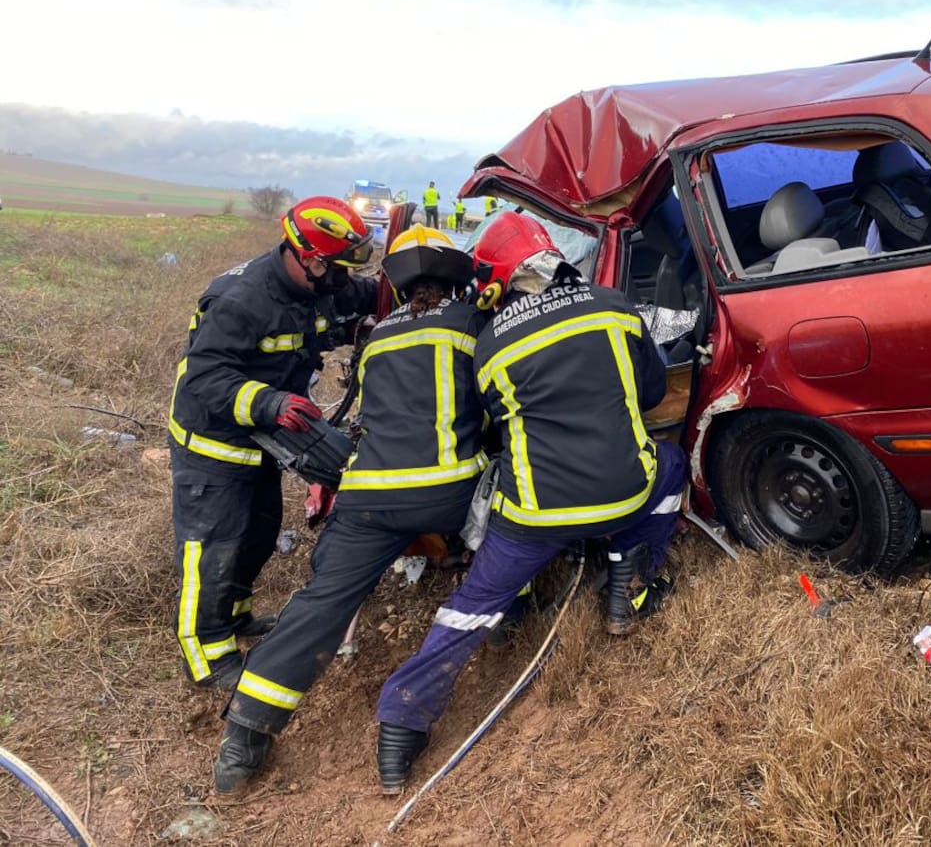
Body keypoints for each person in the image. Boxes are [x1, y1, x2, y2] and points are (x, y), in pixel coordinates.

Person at [373, 211, 686, 792]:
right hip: (625, 494)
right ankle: (627, 589)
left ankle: (401, 725)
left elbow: (495, 428)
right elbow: (650, 393)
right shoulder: (615, 306)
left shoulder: (490, 343)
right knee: (670, 468)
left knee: (471, 606)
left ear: (494, 280)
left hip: (536, 519)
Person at [212, 224, 486, 794]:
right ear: (457, 279)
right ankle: (507, 627)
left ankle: (245, 739)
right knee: (513, 537)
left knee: (321, 603)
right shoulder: (472, 325)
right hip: (448, 493)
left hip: (368, 501)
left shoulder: (379, 337)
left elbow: (363, 413)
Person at [169, 196, 377, 690]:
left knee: (258, 533)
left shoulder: (321, 287)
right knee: (213, 547)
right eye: (339, 270)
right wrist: (268, 404)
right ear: (309, 258)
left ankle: (236, 618)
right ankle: (207, 657)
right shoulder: (241, 300)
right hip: (213, 443)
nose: (346, 281)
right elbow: (205, 377)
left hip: (260, 442)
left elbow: (370, 295)